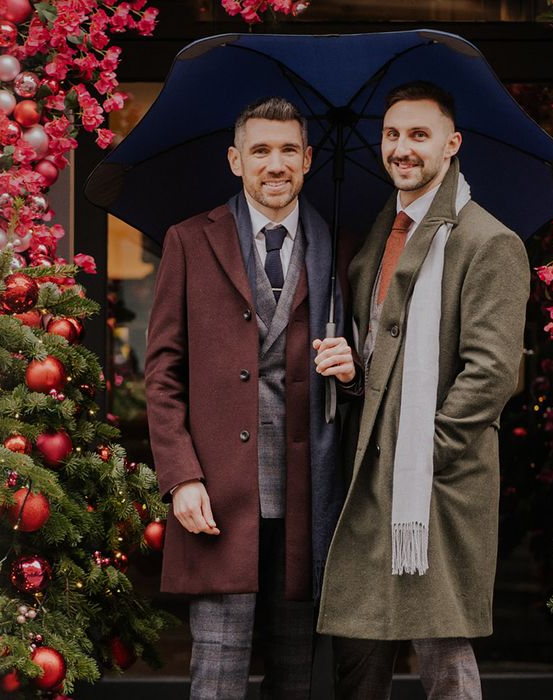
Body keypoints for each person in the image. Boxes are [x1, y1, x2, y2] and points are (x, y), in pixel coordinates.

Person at [315, 81, 531, 699]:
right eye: (391, 134)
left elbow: (490, 374)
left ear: (451, 144)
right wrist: (355, 369)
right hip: (374, 473)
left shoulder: (488, 242)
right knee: (363, 640)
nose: (402, 148)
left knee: (443, 647)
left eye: (418, 134)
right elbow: (386, 352)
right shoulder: (383, 235)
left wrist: (424, 452)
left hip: (436, 479)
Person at [145, 97, 353, 700]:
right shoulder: (188, 240)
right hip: (216, 498)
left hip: (307, 498)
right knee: (217, 674)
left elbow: (366, 365)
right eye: (260, 150)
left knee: (296, 678)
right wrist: (180, 477)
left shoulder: (340, 246)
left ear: (309, 159)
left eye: (289, 149)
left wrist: (353, 369)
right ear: (236, 160)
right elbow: (162, 374)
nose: (275, 163)